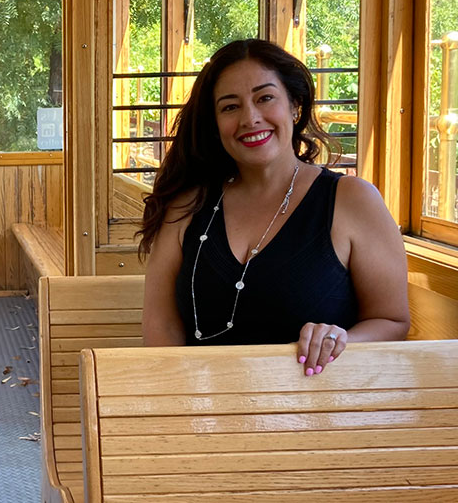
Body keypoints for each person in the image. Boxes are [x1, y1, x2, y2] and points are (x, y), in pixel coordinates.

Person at [139, 39, 409, 375]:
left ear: (295, 105)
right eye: (229, 107)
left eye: (265, 98)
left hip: (319, 416)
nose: (250, 118)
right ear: (215, 122)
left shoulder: (352, 200)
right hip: (205, 414)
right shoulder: (187, 206)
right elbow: (161, 328)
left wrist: (340, 341)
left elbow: (392, 321)